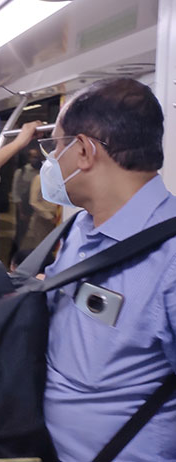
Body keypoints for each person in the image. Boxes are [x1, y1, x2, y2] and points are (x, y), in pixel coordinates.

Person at [40, 78, 176, 461]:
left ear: (83, 151)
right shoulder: (79, 230)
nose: (51, 163)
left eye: (55, 148)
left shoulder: (170, 259)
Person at [12, 147, 42, 250]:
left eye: (37, 157)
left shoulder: (41, 172)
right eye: (33, 157)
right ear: (29, 158)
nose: (35, 159)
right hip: (24, 208)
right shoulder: (21, 172)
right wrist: (21, 212)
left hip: (38, 208)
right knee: (21, 233)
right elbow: (16, 193)